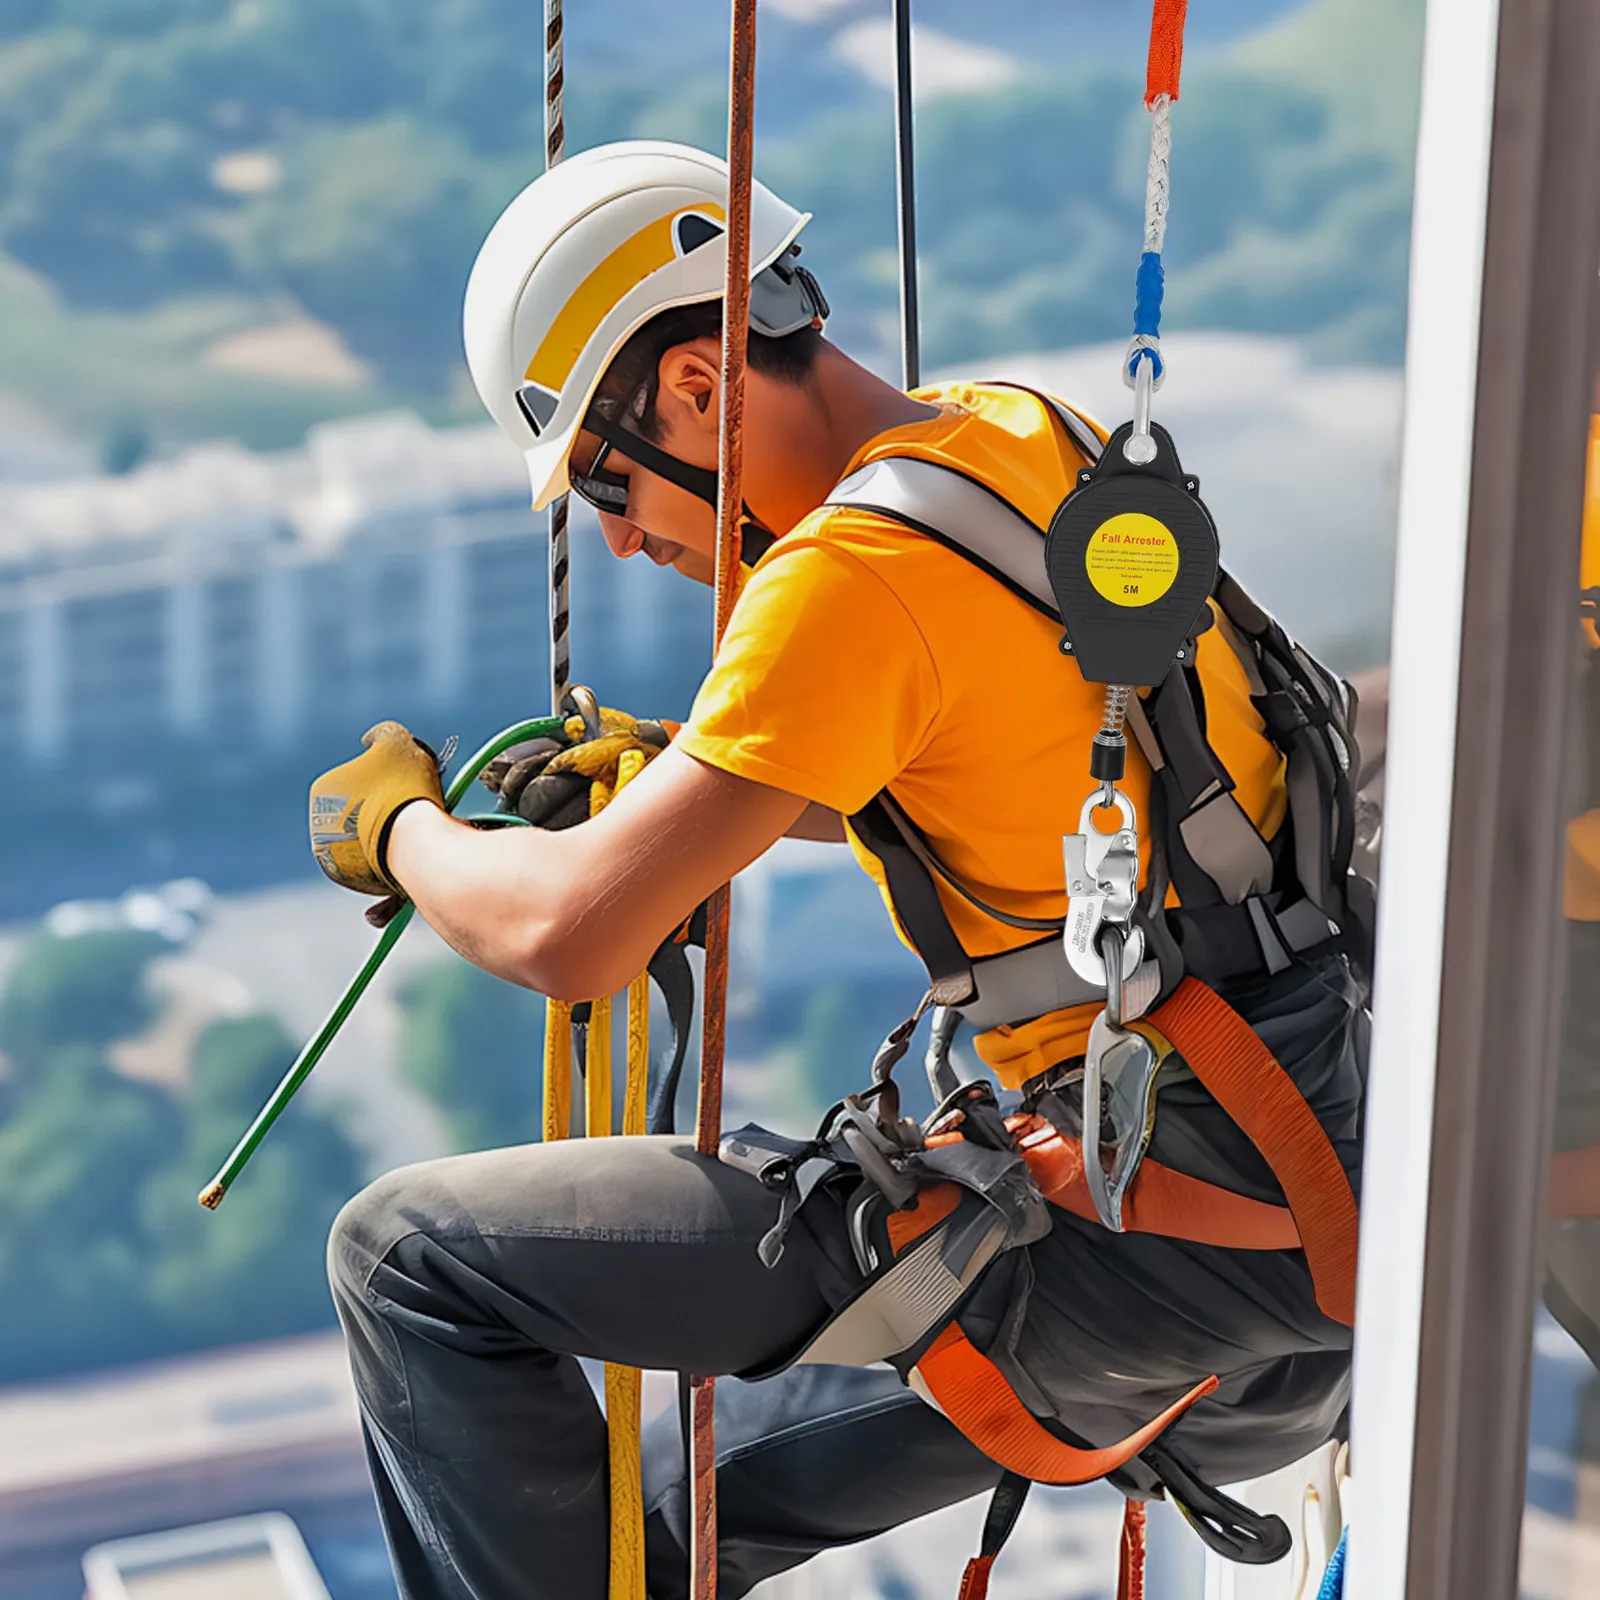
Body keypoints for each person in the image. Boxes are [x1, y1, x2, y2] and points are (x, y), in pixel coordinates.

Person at [311, 141, 1368, 1600]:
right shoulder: (1014, 437)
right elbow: (972, 755)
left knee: (406, 1257)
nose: (624, 542)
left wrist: (401, 833)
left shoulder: (850, 576)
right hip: (1307, 1197)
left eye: (614, 487)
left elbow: (564, 935)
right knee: (646, 1534)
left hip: (1151, 1235)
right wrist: (677, 775)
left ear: (698, 387)